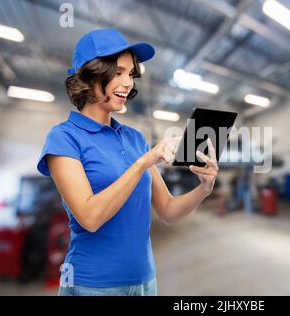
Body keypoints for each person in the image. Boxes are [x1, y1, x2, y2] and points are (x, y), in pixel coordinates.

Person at [37, 28, 219, 296]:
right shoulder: (64, 137)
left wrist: (204, 188)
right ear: (91, 74)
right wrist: (142, 163)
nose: (129, 82)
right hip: (93, 285)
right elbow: (89, 217)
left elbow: (167, 210)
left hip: (145, 281)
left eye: (131, 74)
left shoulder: (135, 139)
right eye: (119, 72)